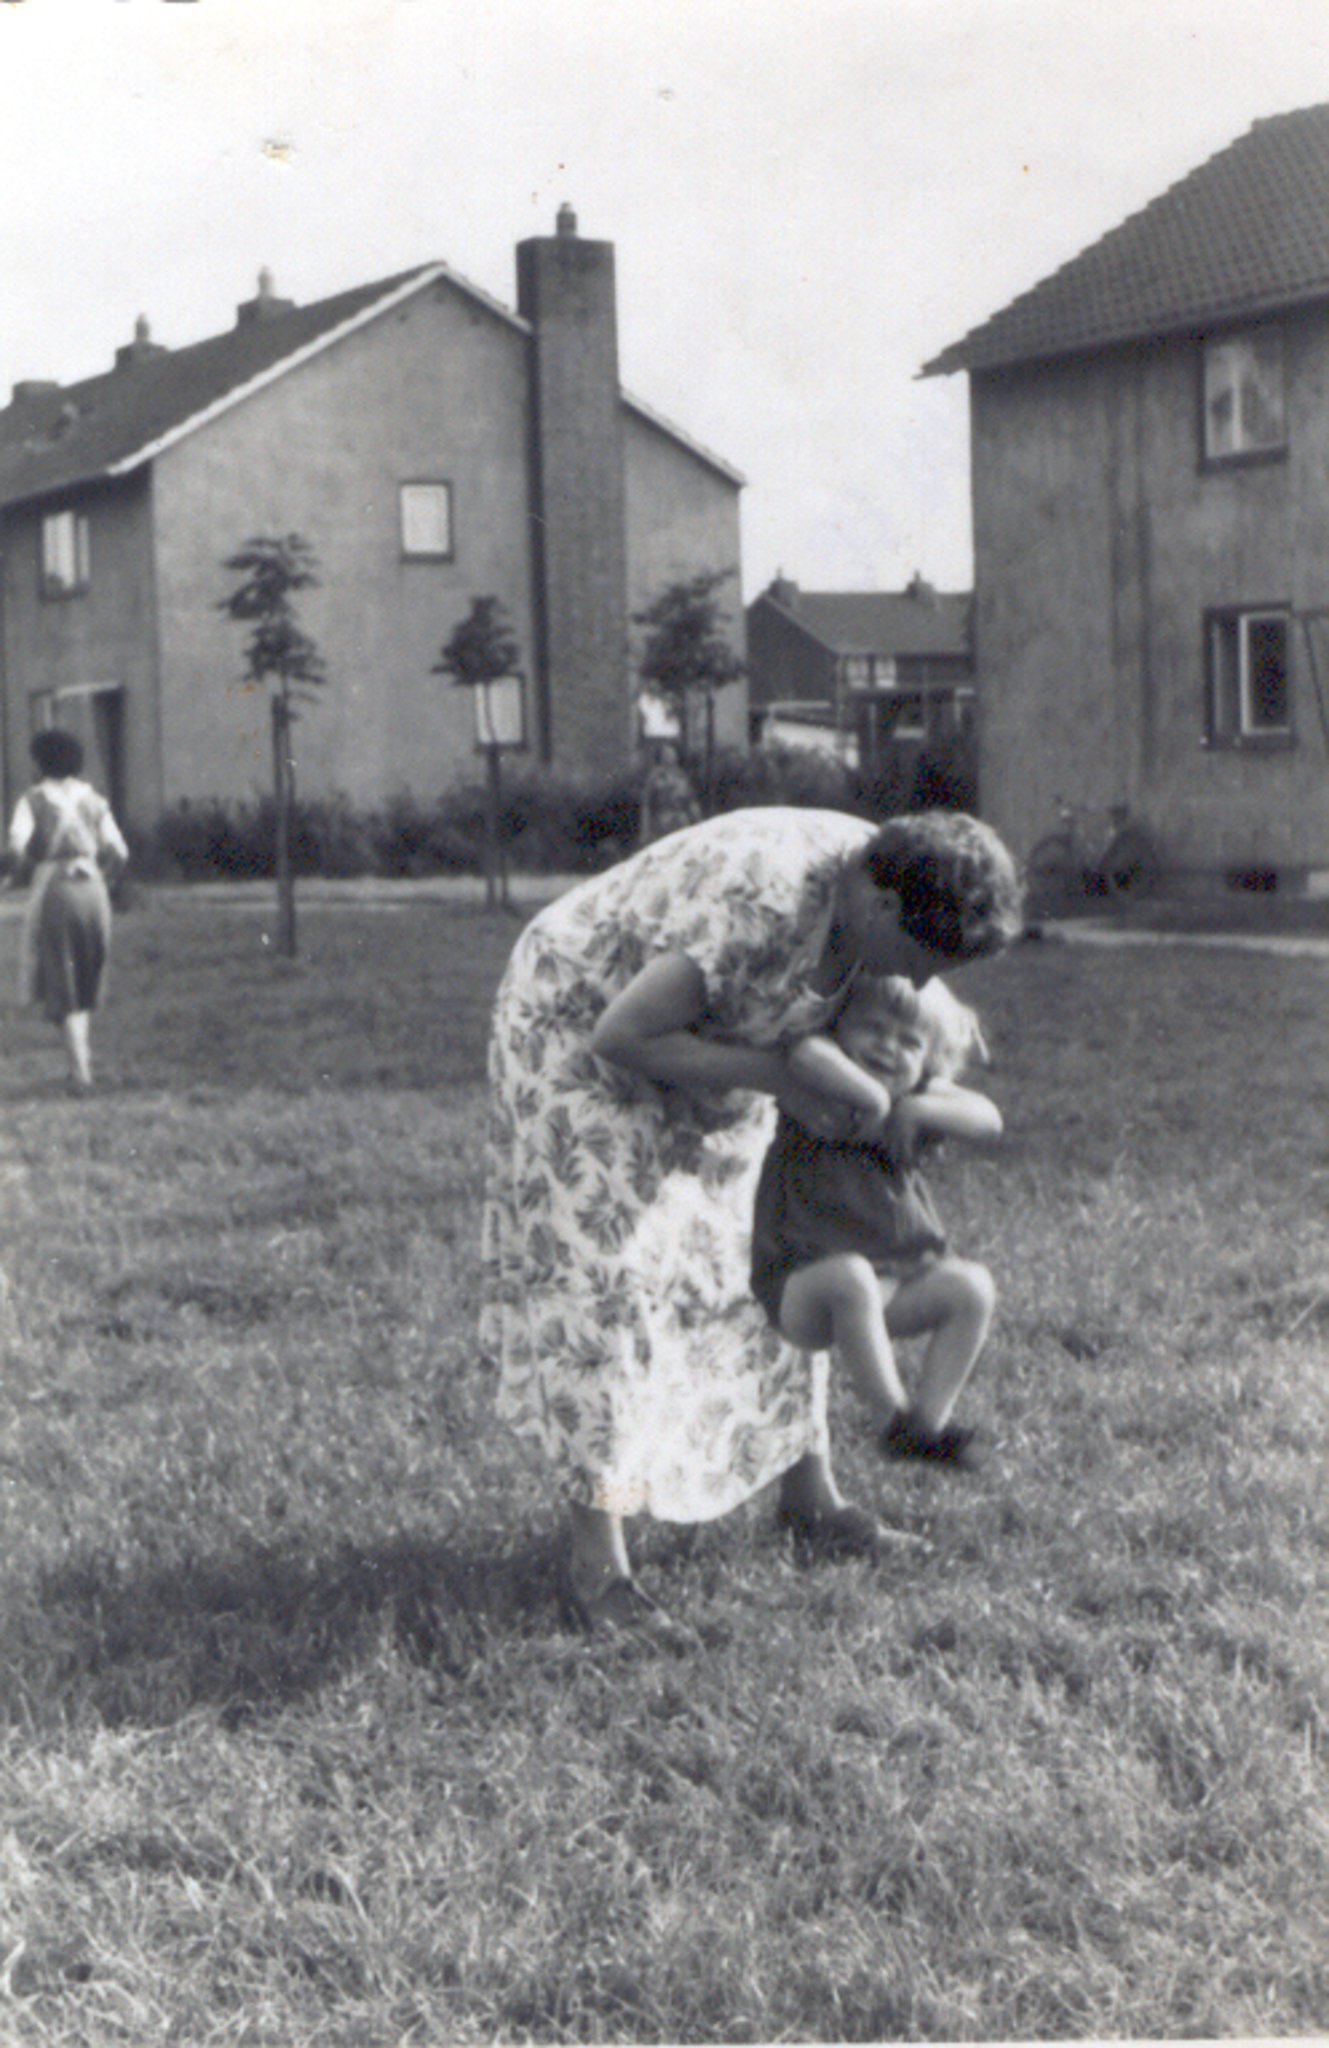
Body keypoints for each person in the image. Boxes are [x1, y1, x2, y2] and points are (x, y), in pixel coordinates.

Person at [481, 805, 1023, 1639]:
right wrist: (777, 1076)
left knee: (766, 1260)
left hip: (719, 1034)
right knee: (609, 1295)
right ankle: (600, 1566)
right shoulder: (762, 905)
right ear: (881, 909)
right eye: (918, 963)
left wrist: (902, 1100)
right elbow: (621, 1035)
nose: (917, 985)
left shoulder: (888, 888)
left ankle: (811, 1504)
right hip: (577, 1027)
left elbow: (921, 1047)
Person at [750, 973, 1001, 1479]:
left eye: (910, 1042)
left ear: (928, 1059)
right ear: (838, 1027)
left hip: (892, 1287)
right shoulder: (817, 1085)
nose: (889, 1047)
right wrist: (874, 1099)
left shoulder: (916, 1099)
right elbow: (804, 1053)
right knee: (851, 1276)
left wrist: (917, 1105)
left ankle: (925, 1428)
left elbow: (989, 1118)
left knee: (972, 1286)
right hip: (803, 1288)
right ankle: (891, 1418)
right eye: (873, 1028)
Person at [5, 728, 129, 1093]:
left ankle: (80, 1074)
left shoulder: (32, 800)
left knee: (61, 978)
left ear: (41, 762)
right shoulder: (94, 800)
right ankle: (79, 1065)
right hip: (93, 890)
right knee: (86, 977)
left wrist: (11, 875)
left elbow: (15, 849)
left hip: (55, 890)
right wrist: (105, 878)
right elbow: (120, 852)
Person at [636, 740, 701, 848]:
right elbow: (646, 804)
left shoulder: (681, 776)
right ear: (661, 757)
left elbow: (691, 801)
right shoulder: (654, 777)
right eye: (666, 754)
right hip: (662, 822)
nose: (670, 757)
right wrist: (645, 830)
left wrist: (698, 822)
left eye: (672, 754)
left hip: (681, 821)